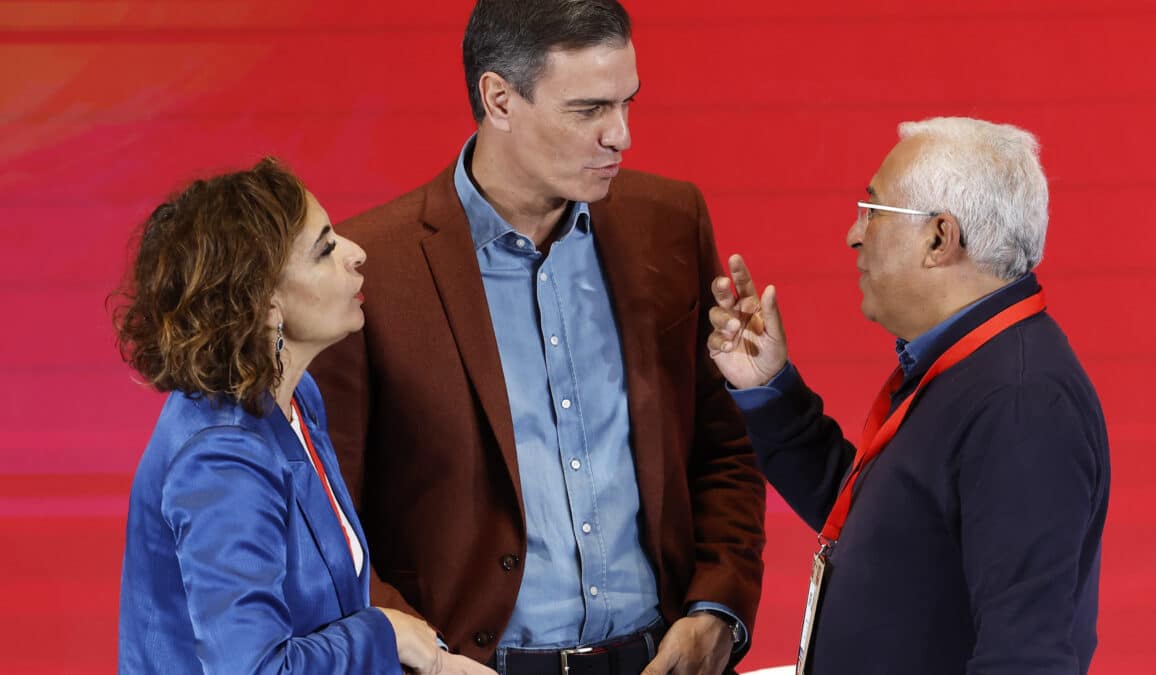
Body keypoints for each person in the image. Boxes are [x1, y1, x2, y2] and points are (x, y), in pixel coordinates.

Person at [307, 2, 766, 674]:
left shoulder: (669, 223)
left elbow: (721, 442)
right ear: (499, 98)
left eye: (627, 103)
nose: (622, 135)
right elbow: (329, 524)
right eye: (588, 110)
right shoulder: (368, 266)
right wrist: (415, 658)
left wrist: (717, 608)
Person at [706, 117, 1110, 675]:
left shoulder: (1021, 402)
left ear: (939, 238)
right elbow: (885, 526)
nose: (853, 233)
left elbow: (1026, 657)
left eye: (872, 211)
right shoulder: (975, 364)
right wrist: (769, 389)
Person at [114, 159, 495, 675]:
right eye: (325, 250)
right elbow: (255, 669)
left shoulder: (295, 397)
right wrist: (385, 634)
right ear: (265, 303)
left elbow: (325, 610)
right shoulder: (221, 458)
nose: (357, 253)